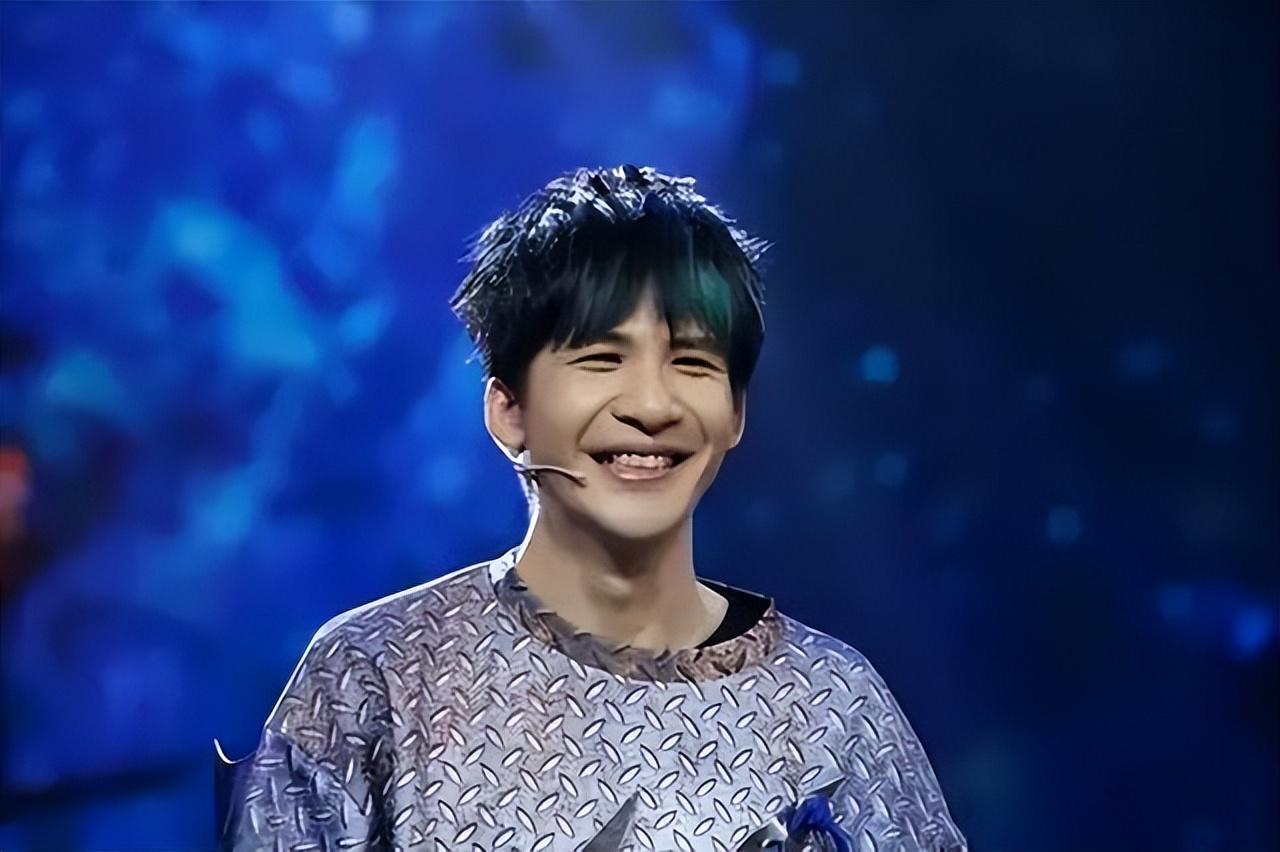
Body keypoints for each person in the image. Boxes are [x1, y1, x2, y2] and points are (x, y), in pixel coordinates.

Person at [216, 165, 968, 851]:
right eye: (601, 359)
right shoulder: (376, 672)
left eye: (692, 362)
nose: (651, 405)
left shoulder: (833, 703)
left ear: (736, 412)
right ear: (508, 409)